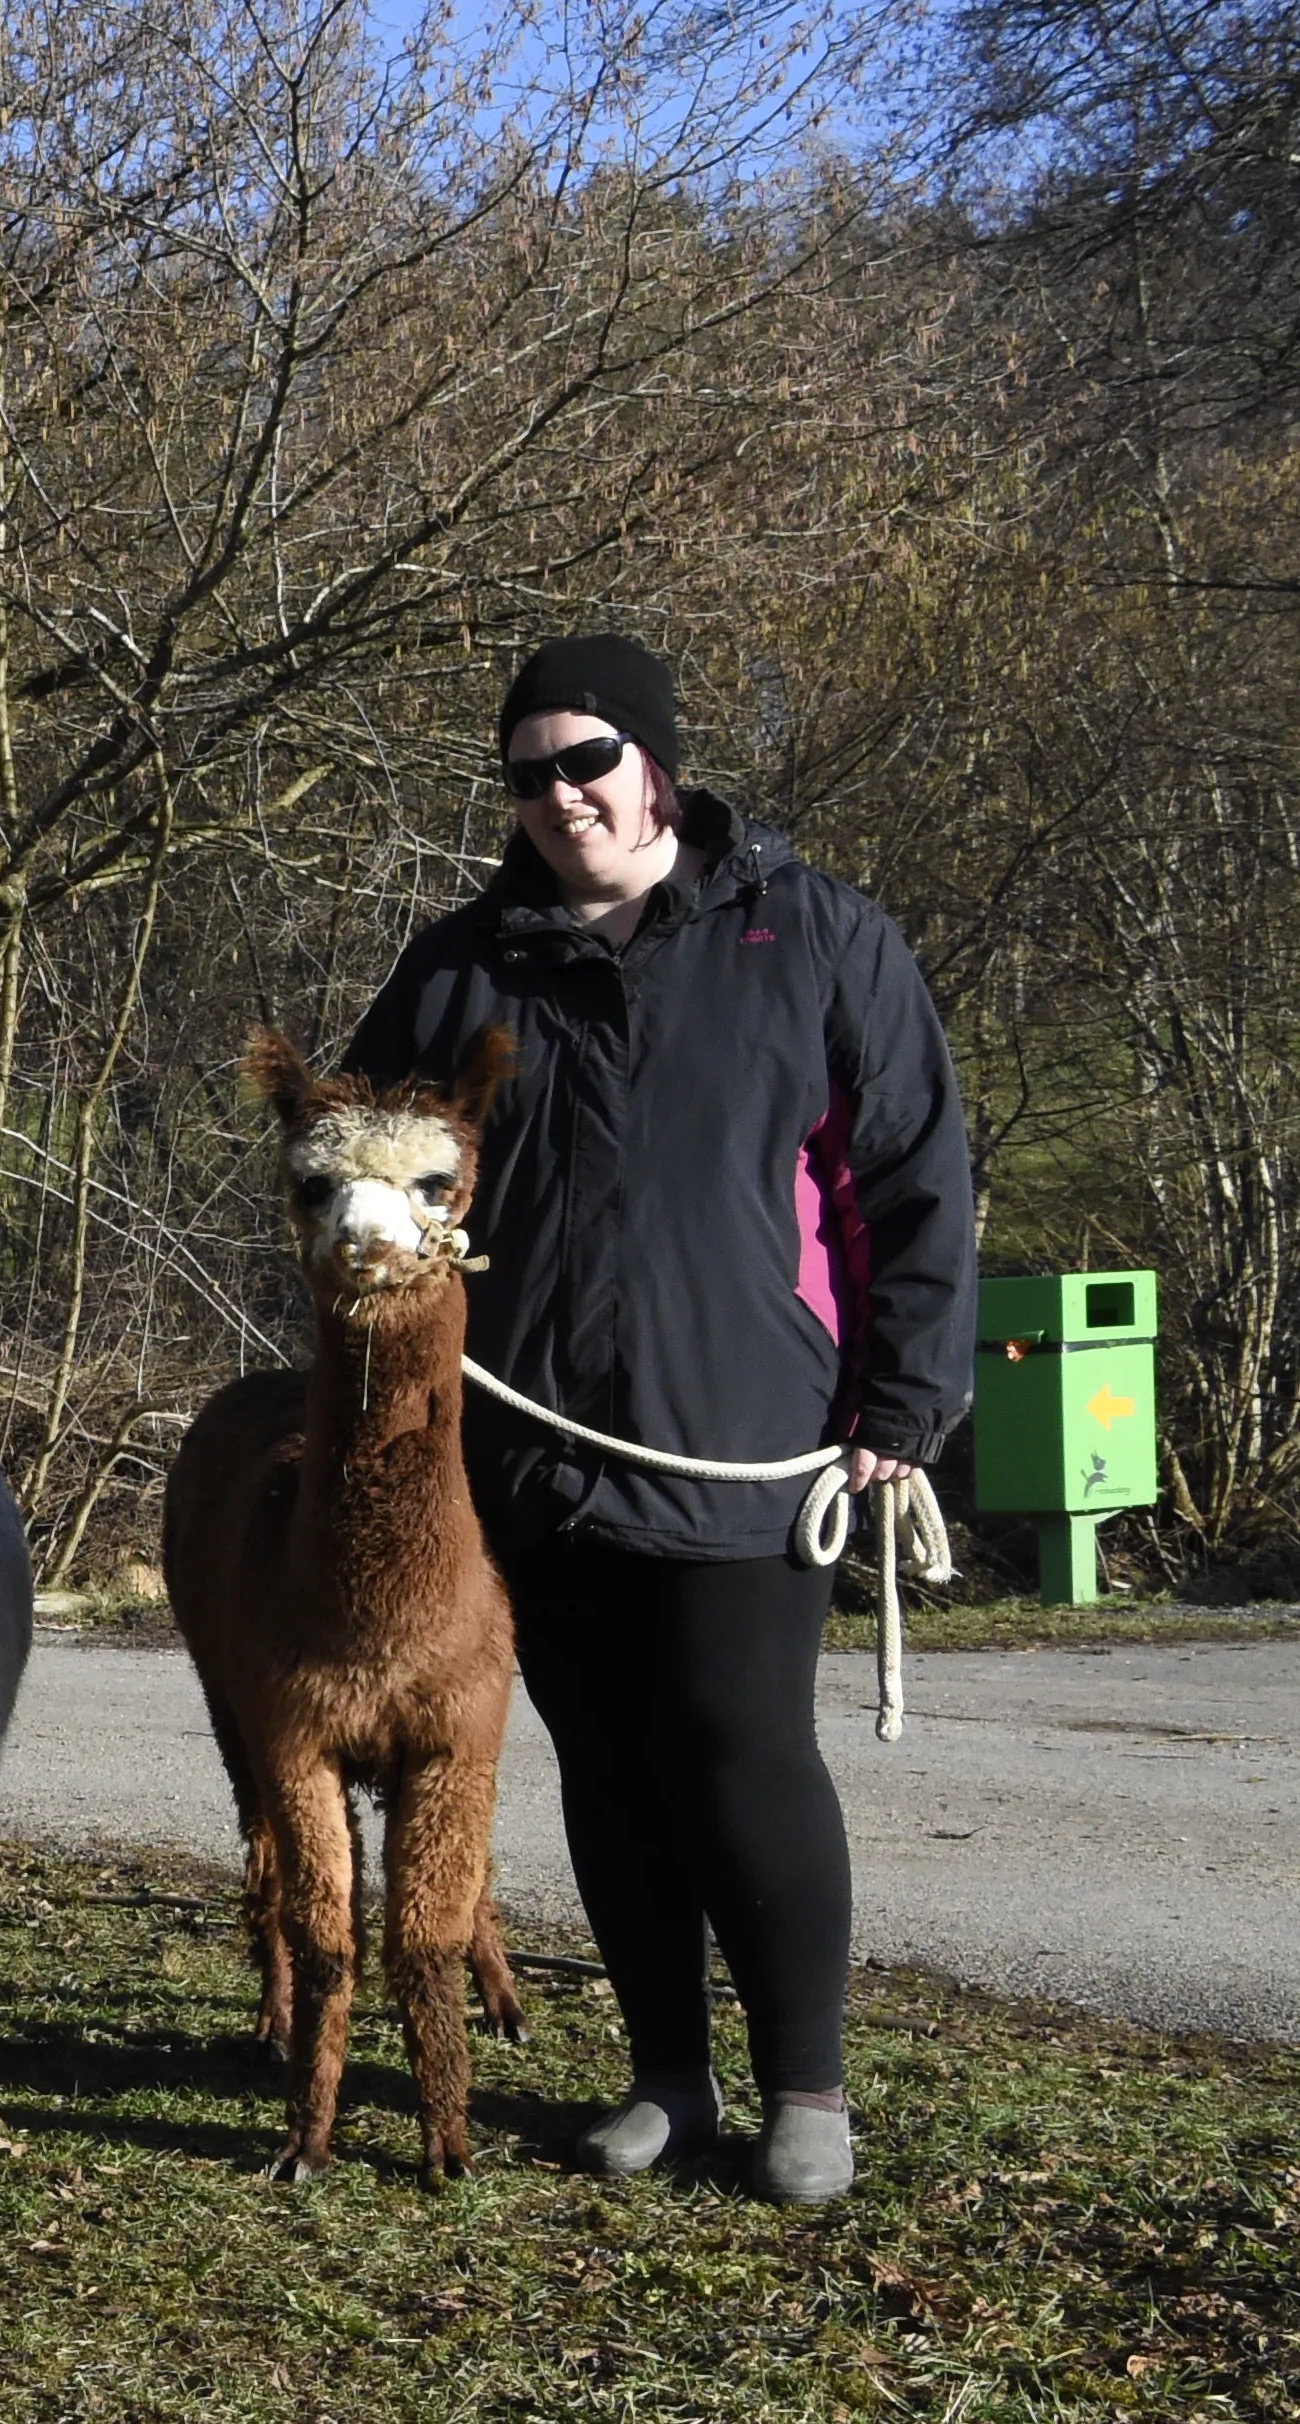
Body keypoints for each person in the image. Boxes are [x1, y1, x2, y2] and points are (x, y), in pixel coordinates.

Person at [346, 634, 974, 2209]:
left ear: (657, 761)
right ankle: (667, 2081)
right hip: (532, 1444)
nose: (562, 796)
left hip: (747, 1431)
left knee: (741, 1752)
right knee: (610, 1771)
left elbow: (913, 1177)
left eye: (588, 760)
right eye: (529, 773)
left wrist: (905, 1396)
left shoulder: (810, 934)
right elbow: (364, 1162)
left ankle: (807, 2091)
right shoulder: (465, 965)